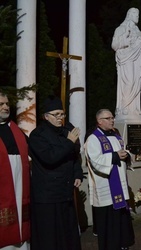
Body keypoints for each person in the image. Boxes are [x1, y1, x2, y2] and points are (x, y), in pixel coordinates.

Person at [29, 96, 83, 250]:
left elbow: (73, 157)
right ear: (46, 116)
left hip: (65, 192)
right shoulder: (37, 135)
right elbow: (50, 158)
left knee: (68, 234)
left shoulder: (66, 131)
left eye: (62, 114)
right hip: (47, 196)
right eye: (56, 115)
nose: (60, 118)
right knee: (50, 238)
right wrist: (69, 142)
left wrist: (77, 174)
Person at [85, 109, 135, 250]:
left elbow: (123, 152)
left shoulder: (117, 136)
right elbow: (95, 160)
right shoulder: (93, 138)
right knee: (109, 222)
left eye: (112, 117)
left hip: (120, 184)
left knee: (121, 219)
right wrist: (115, 156)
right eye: (108, 118)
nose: (112, 120)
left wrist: (127, 155)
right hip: (106, 187)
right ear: (99, 121)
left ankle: (123, 244)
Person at [0, 91, 30, 249]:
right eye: (1, 104)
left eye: (6, 104)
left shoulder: (16, 130)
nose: (5, 107)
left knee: (20, 216)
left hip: (19, 183)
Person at [111, 7, 141, 121]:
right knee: (129, 81)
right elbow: (114, 45)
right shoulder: (121, 28)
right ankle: (124, 108)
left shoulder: (138, 31)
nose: (137, 16)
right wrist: (127, 41)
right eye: (135, 14)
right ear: (129, 15)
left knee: (138, 82)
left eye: (138, 14)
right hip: (126, 58)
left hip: (137, 61)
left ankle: (134, 110)